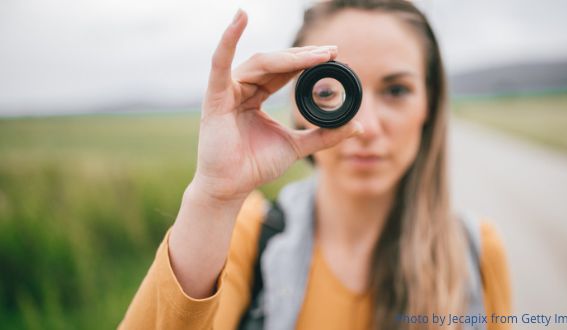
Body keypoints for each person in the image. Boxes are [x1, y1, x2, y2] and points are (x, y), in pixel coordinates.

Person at [120, 0, 511, 329]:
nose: (366, 127)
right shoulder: (245, 236)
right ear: (299, 106)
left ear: (430, 105)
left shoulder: (475, 253)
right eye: (328, 92)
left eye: (396, 90)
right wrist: (213, 196)